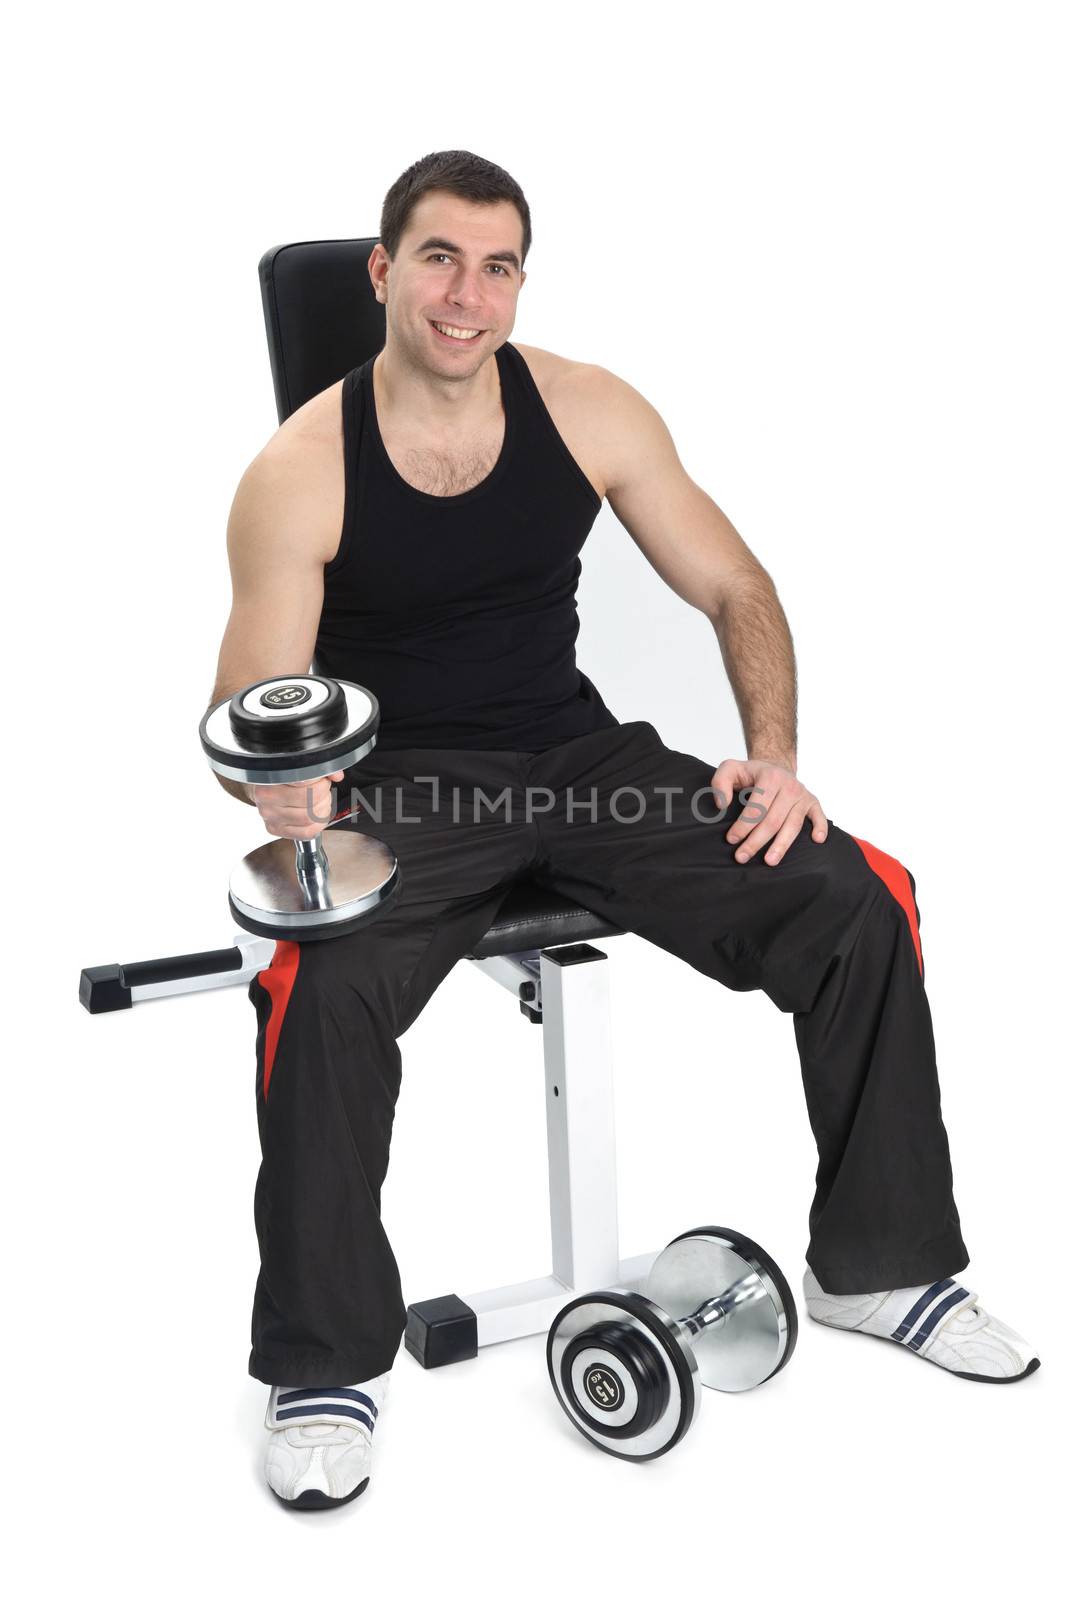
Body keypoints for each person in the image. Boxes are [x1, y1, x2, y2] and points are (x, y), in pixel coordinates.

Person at [208, 150, 1040, 1511]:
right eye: (435, 258)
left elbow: (734, 583)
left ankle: (878, 1266)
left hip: (581, 757)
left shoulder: (592, 409)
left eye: (496, 266)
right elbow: (253, 703)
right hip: (406, 788)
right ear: (379, 271)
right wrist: (281, 792)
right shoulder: (300, 467)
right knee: (320, 981)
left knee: (860, 895)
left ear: (519, 281)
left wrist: (771, 760)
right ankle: (320, 1366)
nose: (466, 296)